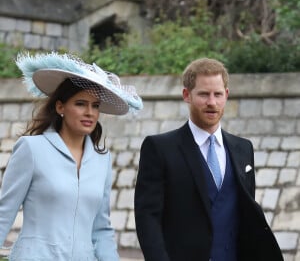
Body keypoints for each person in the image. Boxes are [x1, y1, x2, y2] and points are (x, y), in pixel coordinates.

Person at [134, 58, 283, 261]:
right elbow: (147, 218)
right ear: (187, 95)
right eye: (204, 94)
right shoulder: (160, 148)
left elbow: (245, 215)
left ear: (226, 95)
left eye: (218, 94)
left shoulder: (243, 149)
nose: (212, 102)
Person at [0, 52, 143, 261]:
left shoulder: (102, 159)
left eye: (95, 106)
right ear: (60, 107)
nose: (90, 112)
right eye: (80, 103)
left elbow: (101, 228)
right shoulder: (31, 149)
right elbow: (4, 213)